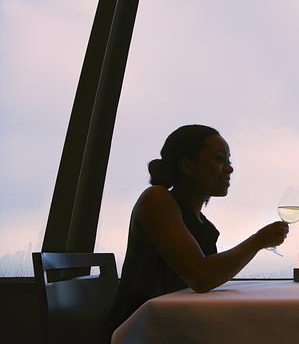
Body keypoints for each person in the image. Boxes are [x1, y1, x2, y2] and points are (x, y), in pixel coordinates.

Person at [110, 125, 289, 331]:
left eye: (229, 161)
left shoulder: (202, 223)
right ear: (187, 166)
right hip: (141, 335)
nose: (230, 168)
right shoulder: (156, 199)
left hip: (176, 328)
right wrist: (259, 240)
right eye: (220, 159)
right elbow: (201, 277)